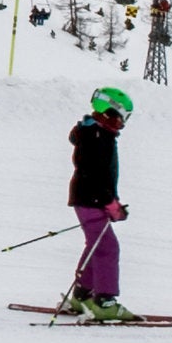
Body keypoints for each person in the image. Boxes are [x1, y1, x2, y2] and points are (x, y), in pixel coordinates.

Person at [65, 86, 136, 322]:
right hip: (91, 199)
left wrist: (110, 201)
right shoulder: (98, 138)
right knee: (108, 248)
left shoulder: (97, 134)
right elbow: (96, 175)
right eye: (122, 117)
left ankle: (82, 295)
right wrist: (109, 203)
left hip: (88, 198)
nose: (122, 124)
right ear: (109, 113)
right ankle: (104, 302)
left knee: (97, 245)